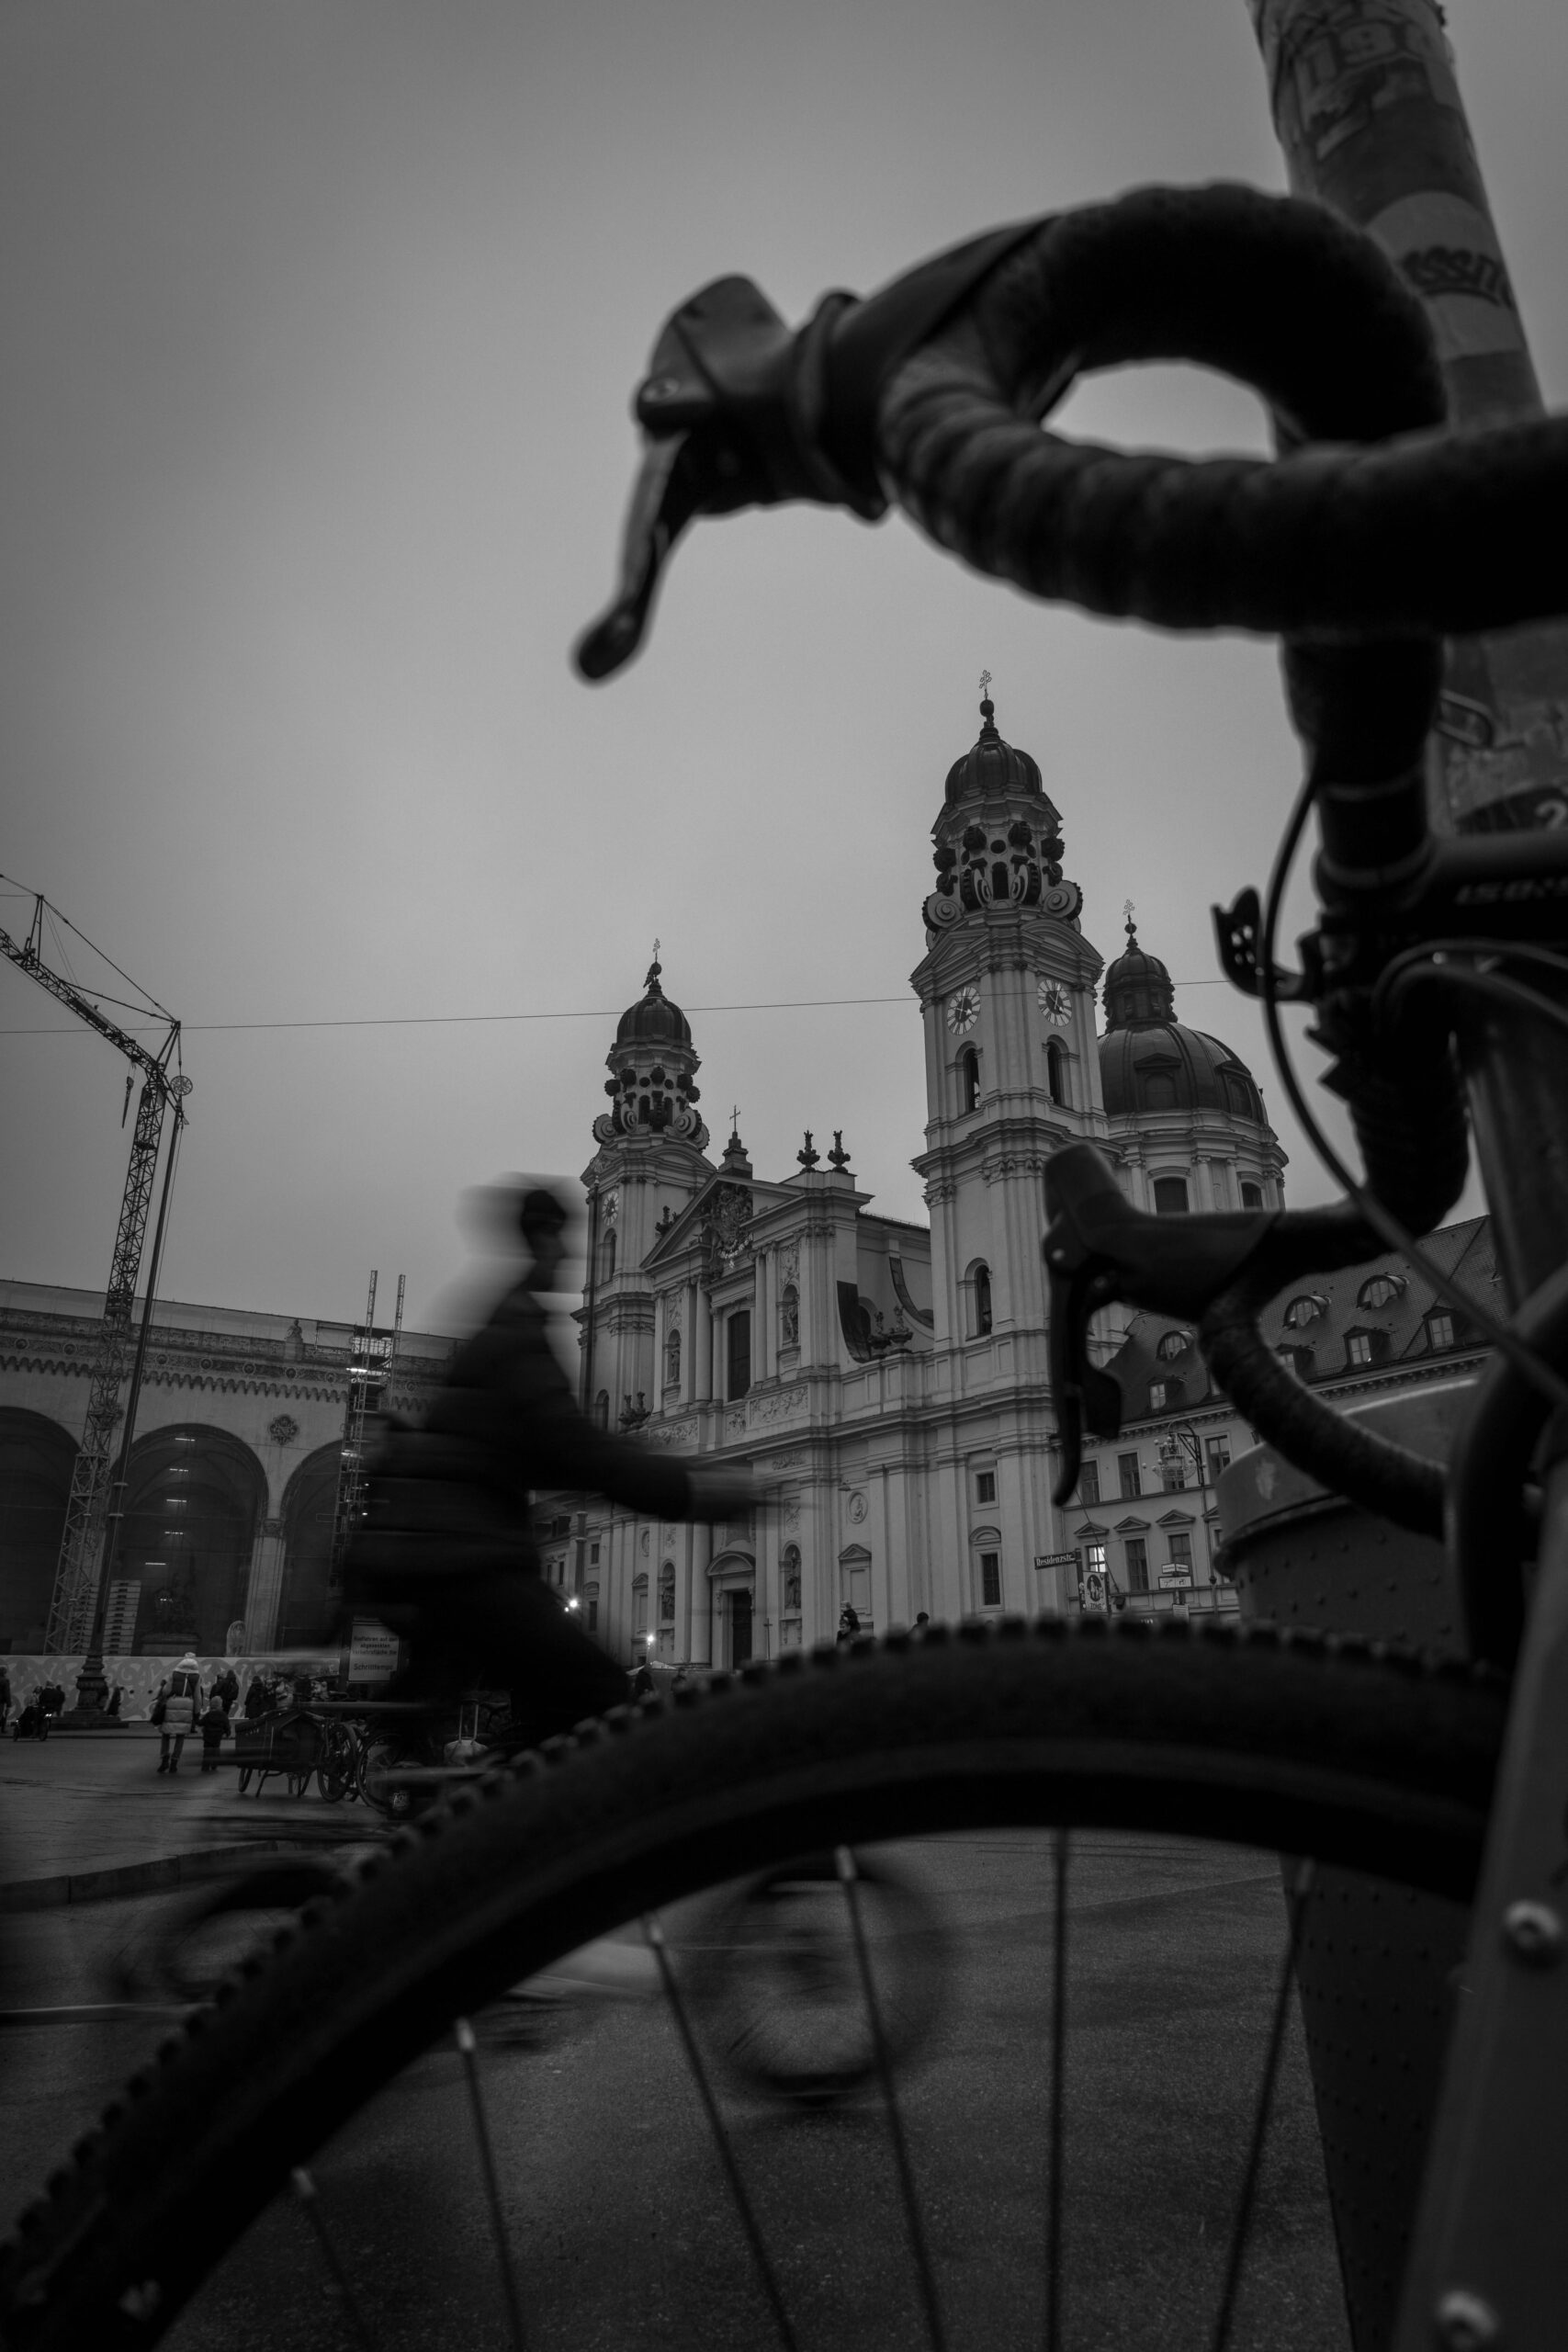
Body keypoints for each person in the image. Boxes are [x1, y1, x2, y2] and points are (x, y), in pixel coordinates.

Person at [346, 1181, 754, 1747]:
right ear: (540, 1241)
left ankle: (436, 1775)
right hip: (470, 1564)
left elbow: (548, 1455)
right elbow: (574, 1452)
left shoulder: (499, 1326)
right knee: (600, 1695)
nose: (570, 1255)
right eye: (560, 1240)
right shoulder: (517, 1336)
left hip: (437, 1562)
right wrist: (690, 1490)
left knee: (501, 1709)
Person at [158, 1653, 202, 1775]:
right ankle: (174, 1762)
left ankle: (164, 1759)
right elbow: (198, 1696)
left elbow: (166, 1690)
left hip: (172, 1703)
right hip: (188, 1705)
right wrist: (197, 1712)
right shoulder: (197, 1677)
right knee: (180, 1736)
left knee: (166, 1733)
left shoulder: (174, 1674)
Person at [197, 1697, 228, 1774]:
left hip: (208, 1735)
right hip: (217, 1736)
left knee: (207, 1751)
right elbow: (226, 1725)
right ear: (220, 1705)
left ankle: (205, 1766)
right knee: (216, 1749)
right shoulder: (223, 1715)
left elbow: (201, 1723)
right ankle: (214, 1764)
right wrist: (228, 1732)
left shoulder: (208, 1715)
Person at [0, 1665, 10, 1735]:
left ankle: (3, 1729)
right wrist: (8, 1704)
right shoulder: (5, 1680)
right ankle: (3, 1729)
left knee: (2, 1715)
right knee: (2, 1714)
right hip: (1, 1701)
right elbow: (6, 1693)